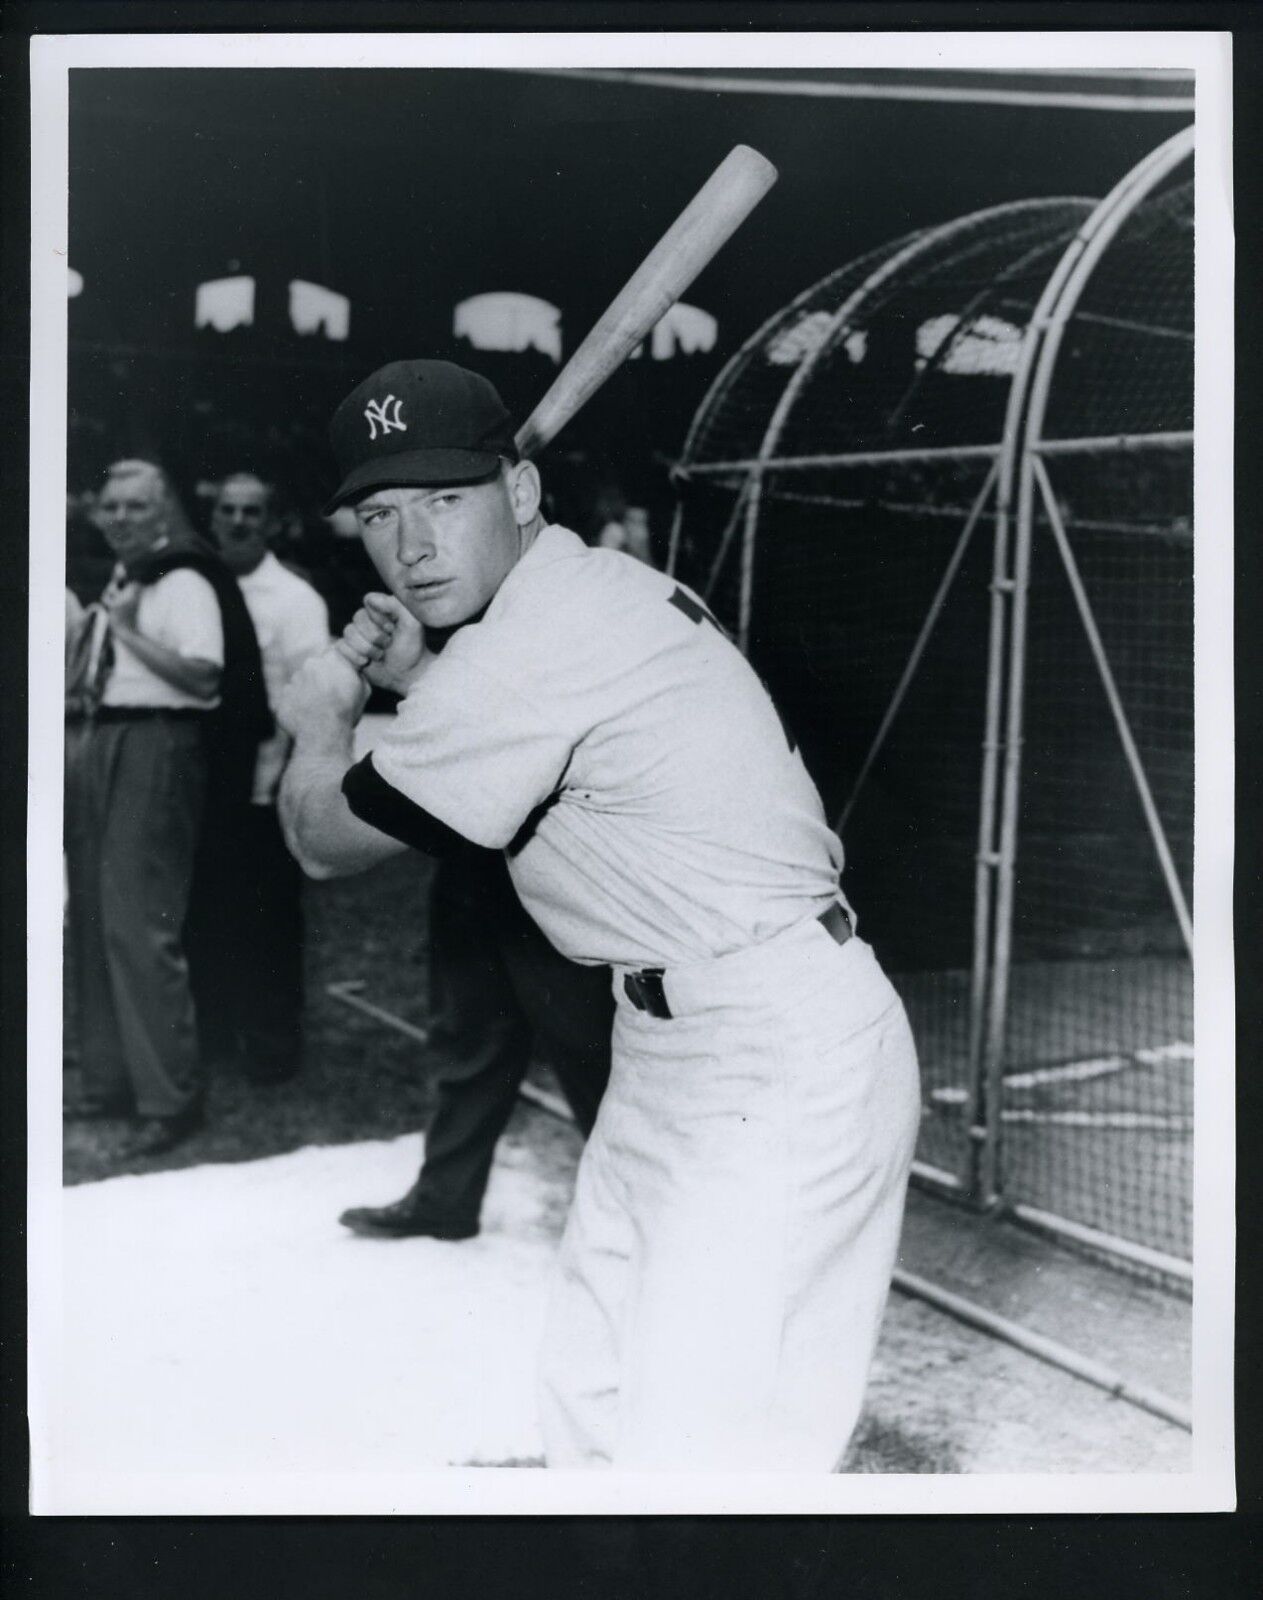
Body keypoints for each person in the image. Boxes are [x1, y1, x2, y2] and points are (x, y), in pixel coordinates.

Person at [276, 359, 921, 1472]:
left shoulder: (532, 648)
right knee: (594, 1389)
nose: (414, 545)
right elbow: (526, 725)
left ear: (521, 493)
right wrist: (429, 668)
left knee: (704, 1452)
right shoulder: (577, 593)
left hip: (774, 1049)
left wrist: (324, 717)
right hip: (678, 1041)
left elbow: (324, 842)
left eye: (446, 501)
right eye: (382, 514)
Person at [64, 461, 269, 1157]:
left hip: (157, 742)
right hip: (103, 734)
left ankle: (169, 1095)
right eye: (110, 506)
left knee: (138, 920)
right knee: (93, 916)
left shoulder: (179, 579)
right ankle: (106, 1080)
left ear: (162, 514)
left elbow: (206, 678)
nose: (120, 517)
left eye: (135, 507)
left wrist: (125, 631)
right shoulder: (126, 577)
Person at [338, 843, 613, 1241]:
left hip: (561, 857)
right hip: (469, 852)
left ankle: (650, 1214)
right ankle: (444, 1200)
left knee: (587, 1042)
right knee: (470, 1031)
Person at [184, 472, 329, 1081]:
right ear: (212, 519)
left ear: (270, 523)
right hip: (204, 778)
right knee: (204, 911)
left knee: (268, 918)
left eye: (252, 512)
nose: (238, 522)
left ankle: (272, 1044)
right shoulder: (194, 590)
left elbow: (312, 694)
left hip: (269, 781)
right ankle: (213, 1034)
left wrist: (279, 780)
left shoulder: (295, 600)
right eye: (228, 511)